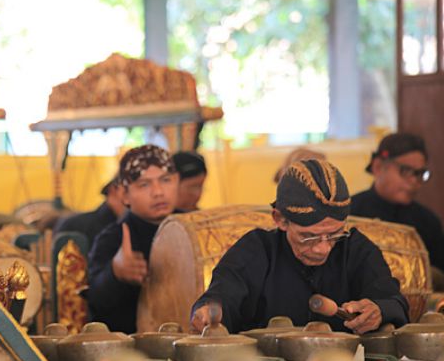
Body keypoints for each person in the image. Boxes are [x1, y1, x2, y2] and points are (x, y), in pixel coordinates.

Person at [191, 159, 409, 335]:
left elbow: (393, 302)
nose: (323, 248)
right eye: (309, 237)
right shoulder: (255, 249)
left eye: (334, 235)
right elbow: (221, 298)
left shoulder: (356, 249)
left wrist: (379, 310)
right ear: (280, 220)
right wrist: (207, 313)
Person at [86, 144, 179, 334]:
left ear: (177, 181)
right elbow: (95, 301)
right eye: (144, 184)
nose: (158, 192)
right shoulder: (112, 238)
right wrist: (115, 273)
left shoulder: (192, 225)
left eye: (165, 180)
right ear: (124, 194)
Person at [351, 133, 444, 273]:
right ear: (378, 167)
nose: (414, 181)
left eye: (419, 173)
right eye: (405, 171)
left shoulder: (429, 222)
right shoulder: (349, 213)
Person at [54, 175, 126, 251]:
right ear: (112, 190)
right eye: (126, 191)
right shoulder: (73, 226)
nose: (129, 199)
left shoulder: (129, 229)